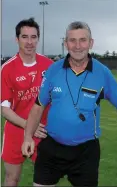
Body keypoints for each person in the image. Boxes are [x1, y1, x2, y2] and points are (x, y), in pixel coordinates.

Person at [21, 21, 117, 187]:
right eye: (72, 40)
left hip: (86, 152)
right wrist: (28, 136)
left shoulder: (103, 73)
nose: (78, 46)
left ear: (91, 42)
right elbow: (38, 106)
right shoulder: (53, 70)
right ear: (66, 44)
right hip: (51, 148)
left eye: (83, 40)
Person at [1, 18, 53, 186]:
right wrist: (28, 126)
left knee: (45, 179)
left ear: (38, 38)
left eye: (33, 37)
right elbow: (4, 108)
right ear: (17, 39)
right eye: (25, 37)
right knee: (11, 178)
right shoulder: (7, 68)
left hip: (43, 131)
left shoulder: (49, 65)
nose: (29, 42)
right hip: (16, 130)